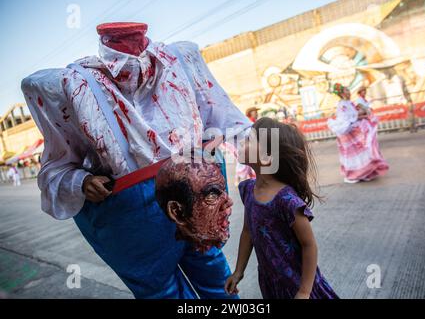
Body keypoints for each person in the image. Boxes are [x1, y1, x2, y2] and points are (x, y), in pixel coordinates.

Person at [22, 22, 251, 299]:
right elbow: (56, 168)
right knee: (161, 293)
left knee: (216, 279)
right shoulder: (71, 87)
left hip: (197, 199)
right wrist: (83, 182)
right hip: (134, 220)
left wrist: (268, 172)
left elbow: (227, 121)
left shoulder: (181, 61)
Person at [224, 117, 338, 299]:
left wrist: (304, 291)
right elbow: (248, 232)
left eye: (249, 140)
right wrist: (238, 271)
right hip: (271, 282)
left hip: (297, 282)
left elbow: (309, 245)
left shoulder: (287, 200)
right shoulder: (247, 189)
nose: (242, 143)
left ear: (267, 158)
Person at [327, 83, 389, 184]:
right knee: (353, 155)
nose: (349, 92)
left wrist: (363, 116)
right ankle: (352, 175)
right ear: (342, 93)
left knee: (364, 152)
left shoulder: (349, 103)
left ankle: (364, 173)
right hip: (347, 132)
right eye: (347, 90)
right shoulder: (342, 105)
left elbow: (354, 116)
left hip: (354, 130)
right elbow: (345, 119)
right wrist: (360, 117)